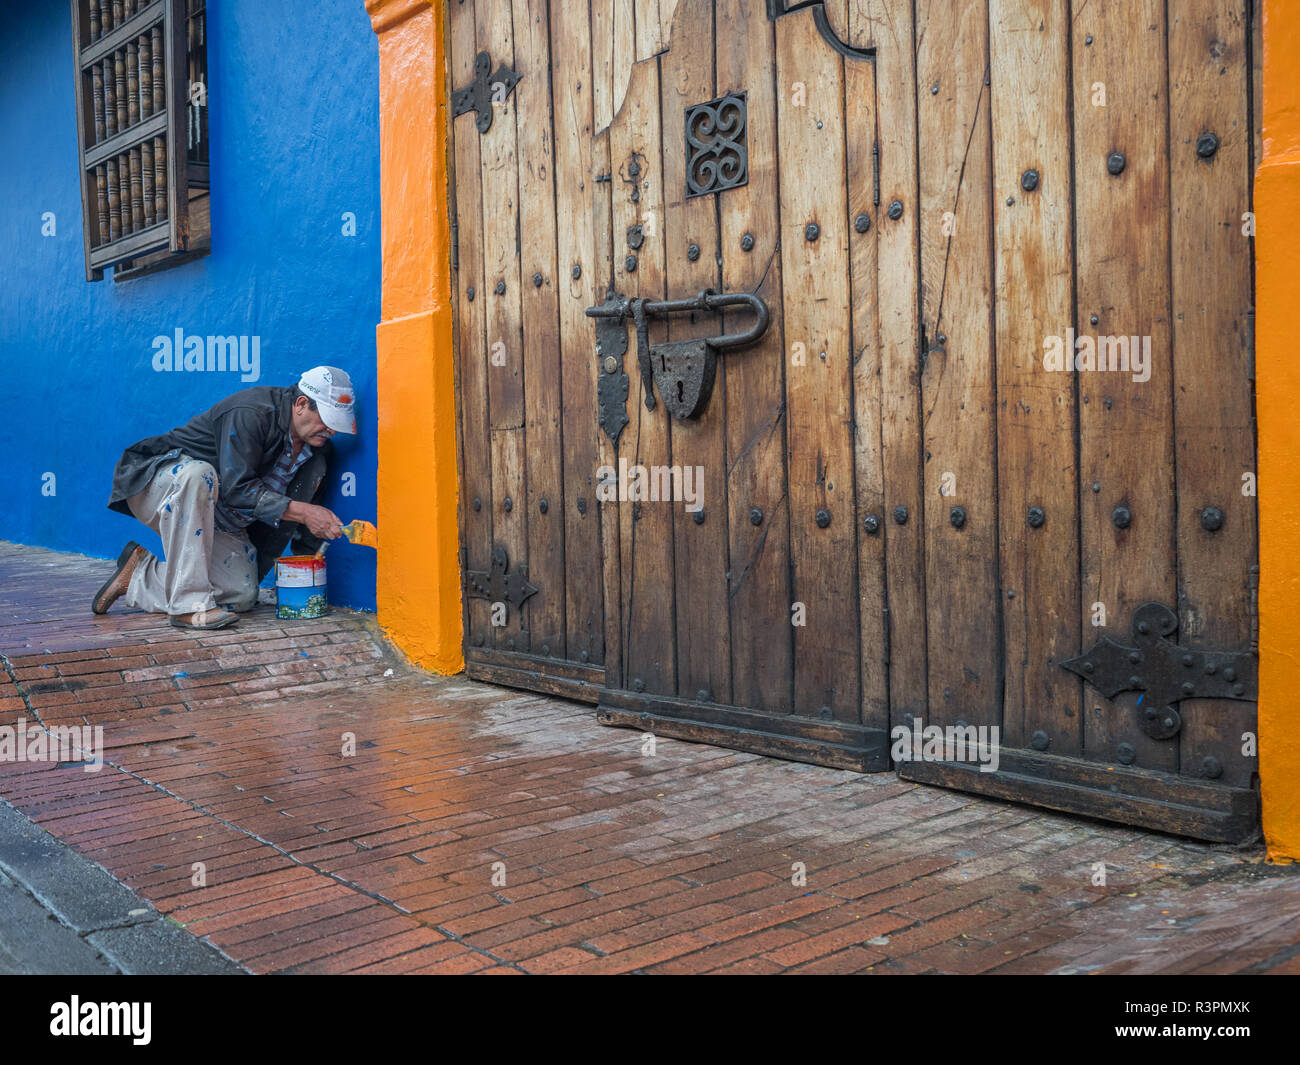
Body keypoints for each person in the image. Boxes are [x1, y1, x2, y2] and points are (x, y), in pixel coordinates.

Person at [93, 366, 356, 629]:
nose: (331, 430)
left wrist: (304, 569)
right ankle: (187, 607)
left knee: (242, 593)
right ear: (301, 404)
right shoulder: (252, 412)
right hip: (158, 485)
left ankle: (138, 576)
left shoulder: (319, 454)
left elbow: (308, 519)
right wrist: (304, 512)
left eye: (336, 425)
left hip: (218, 517)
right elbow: (236, 488)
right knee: (199, 474)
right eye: (327, 420)